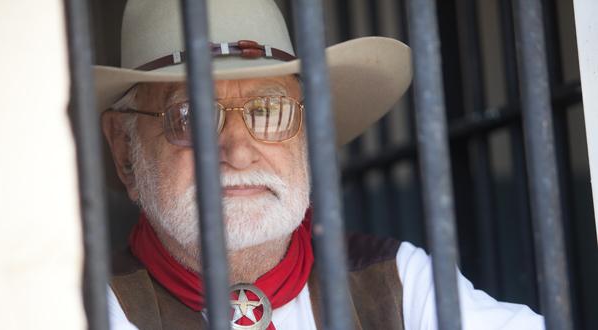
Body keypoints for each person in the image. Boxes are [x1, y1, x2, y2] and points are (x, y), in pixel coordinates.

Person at [96, 0, 545, 328]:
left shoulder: (395, 281)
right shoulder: (82, 309)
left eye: (270, 110)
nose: (237, 151)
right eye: (190, 116)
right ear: (125, 153)